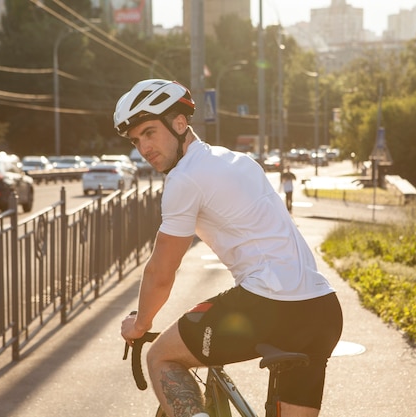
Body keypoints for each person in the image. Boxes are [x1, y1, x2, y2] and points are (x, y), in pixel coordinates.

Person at [115, 79, 343, 417]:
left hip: (269, 305)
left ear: (179, 124)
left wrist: (140, 323)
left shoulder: (185, 177)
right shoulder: (238, 161)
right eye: (136, 140)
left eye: (149, 132)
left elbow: (161, 270)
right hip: (322, 309)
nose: (143, 148)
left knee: (161, 356)